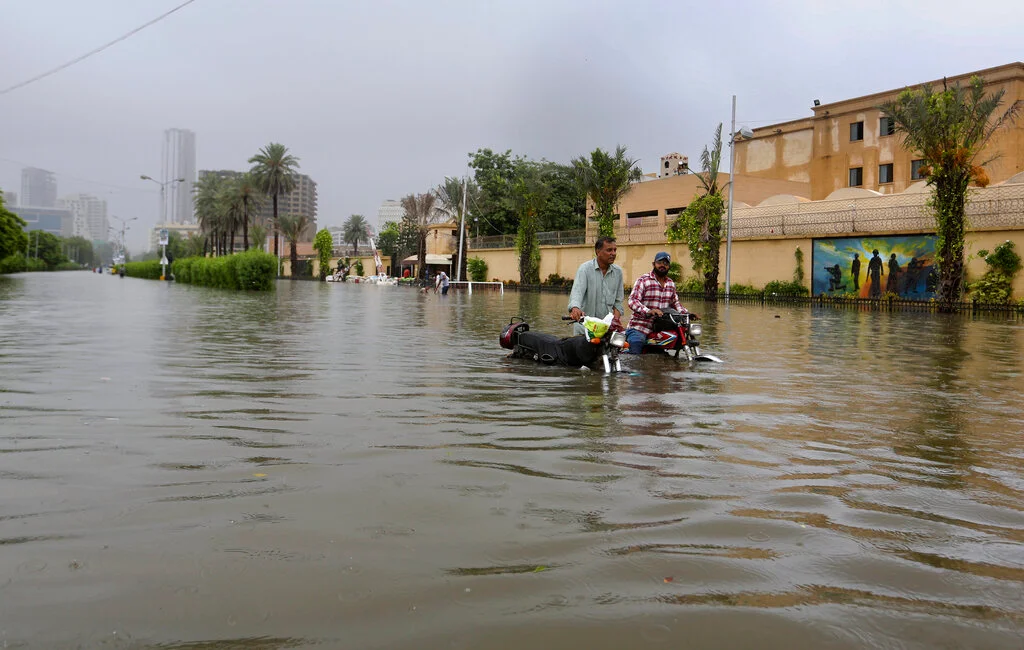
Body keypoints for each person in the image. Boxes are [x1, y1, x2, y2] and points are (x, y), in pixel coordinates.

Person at [623, 251, 692, 354]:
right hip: (640, 326)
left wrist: (686, 314)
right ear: (653, 264)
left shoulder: (670, 284)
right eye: (660, 262)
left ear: (669, 267)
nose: (662, 266)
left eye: (666, 263)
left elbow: (675, 303)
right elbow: (632, 301)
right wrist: (648, 311)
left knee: (674, 343)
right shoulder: (644, 280)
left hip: (660, 328)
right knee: (636, 346)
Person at [568, 236, 624, 337]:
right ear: (598, 252)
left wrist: (615, 321)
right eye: (609, 250)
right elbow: (577, 293)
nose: (613, 253)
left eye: (615, 250)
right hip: (585, 328)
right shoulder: (585, 269)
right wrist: (575, 308)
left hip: (606, 329)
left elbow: (618, 302)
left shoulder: (618, 272)